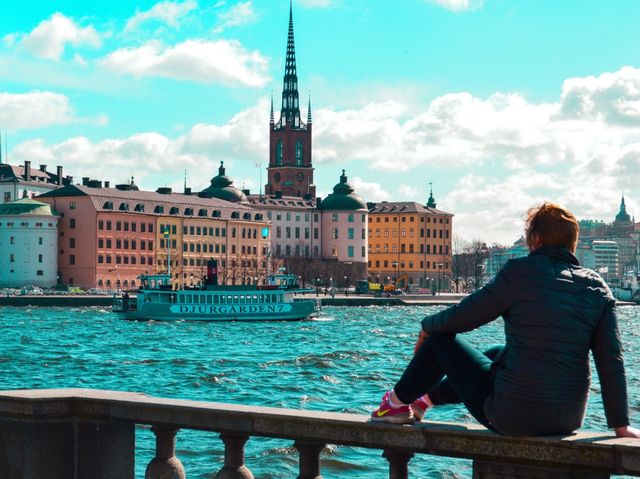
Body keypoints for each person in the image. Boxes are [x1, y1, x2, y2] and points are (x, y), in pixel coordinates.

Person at [371, 202, 640, 438]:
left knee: (440, 339)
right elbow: (611, 361)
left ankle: (394, 405)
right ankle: (424, 401)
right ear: (572, 242)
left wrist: (426, 327)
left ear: (534, 238)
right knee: (497, 353)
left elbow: (465, 316)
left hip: (513, 417)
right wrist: (620, 425)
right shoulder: (597, 287)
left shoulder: (519, 273)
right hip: (568, 418)